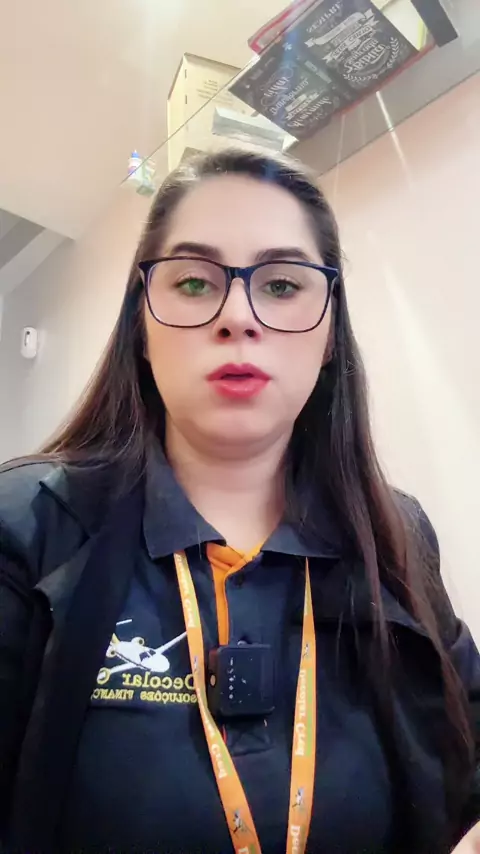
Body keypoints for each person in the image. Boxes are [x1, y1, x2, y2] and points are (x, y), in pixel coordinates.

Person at [0, 147, 479, 854]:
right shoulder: (28, 526)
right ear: (141, 326)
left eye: (282, 285)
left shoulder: (394, 532)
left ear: (329, 335)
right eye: (195, 282)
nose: (237, 316)